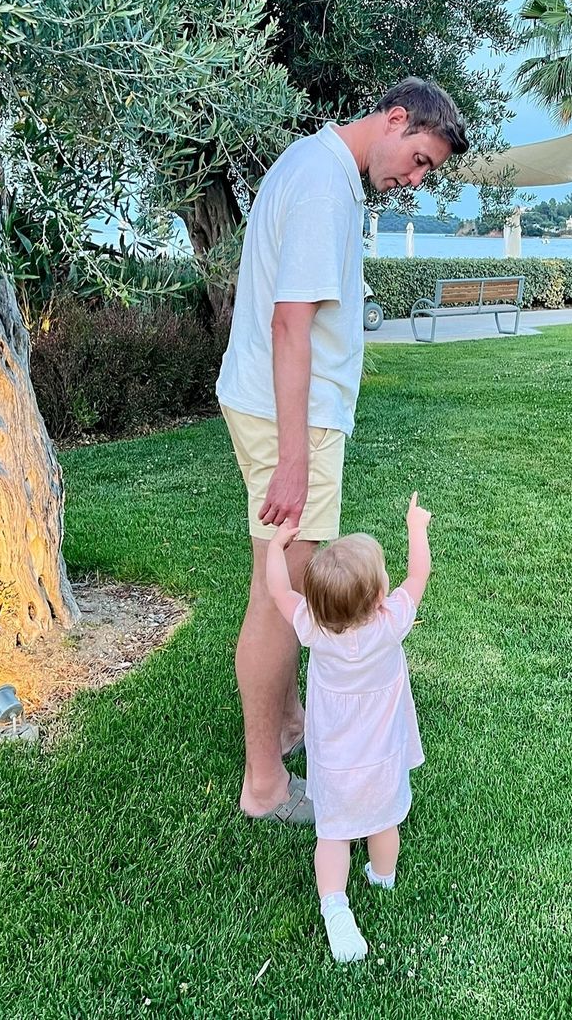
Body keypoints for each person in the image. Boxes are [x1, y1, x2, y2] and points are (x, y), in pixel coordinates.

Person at [216, 79, 467, 821]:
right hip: (289, 419)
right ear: (395, 119)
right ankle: (263, 785)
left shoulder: (314, 165)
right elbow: (291, 325)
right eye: (419, 159)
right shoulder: (326, 184)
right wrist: (294, 457)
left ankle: (292, 722)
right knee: (278, 598)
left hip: (281, 409)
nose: (415, 179)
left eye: (427, 172)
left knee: (281, 578)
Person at [264, 493, 433, 962]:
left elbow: (280, 592)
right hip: (383, 757)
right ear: (381, 597)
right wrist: (415, 527)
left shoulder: (312, 628)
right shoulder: (390, 624)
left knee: (333, 834)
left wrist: (277, 549)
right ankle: (382, 878)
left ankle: (335, 906)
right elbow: (418, 575)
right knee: (384, 822)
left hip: (335, 761)